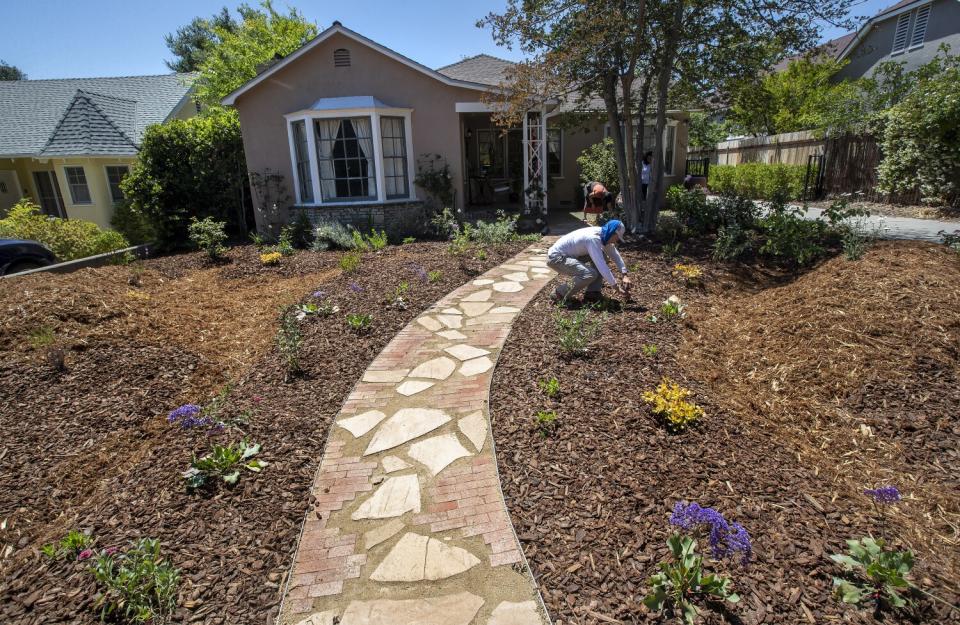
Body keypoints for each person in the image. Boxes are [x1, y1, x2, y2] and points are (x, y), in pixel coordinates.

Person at [547, 219, 632, 304]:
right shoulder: (593, 238)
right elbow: (601, 266)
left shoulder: (603, 234)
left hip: (568, 255)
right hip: (556, 258)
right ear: (612, 233)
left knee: (602, 256)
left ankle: (592, 293)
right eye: (616, 238)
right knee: (590, 274)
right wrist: (617, 288)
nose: (615, 241)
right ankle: (558, 293)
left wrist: (624, 274)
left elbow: (614, 255)